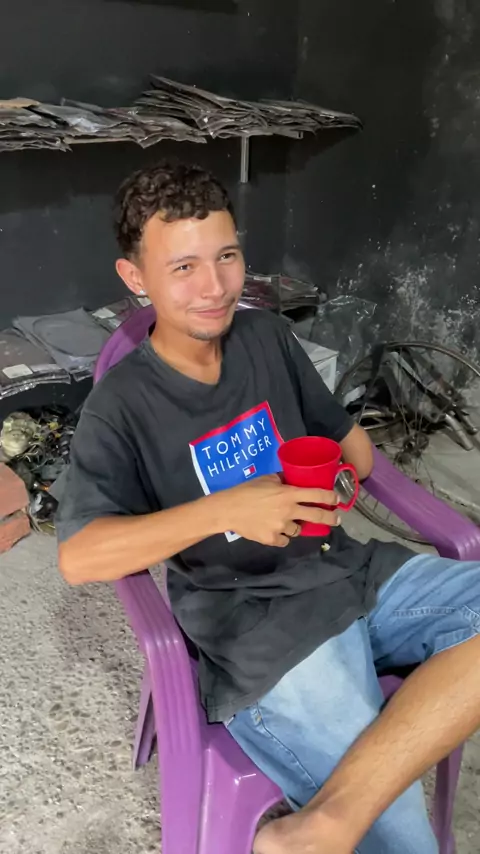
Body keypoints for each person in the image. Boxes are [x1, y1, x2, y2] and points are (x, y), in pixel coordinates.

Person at [56, 160, 480, 854]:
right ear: (136, 278)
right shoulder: (120, 406)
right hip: (257, 628)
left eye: (226, 256)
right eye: (183, 267)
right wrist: (227, 509)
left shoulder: (267, 338)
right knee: (403, 839)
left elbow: (354, 455)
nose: (215, 287)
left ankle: (321, 824)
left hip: (348, 572)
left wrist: (328, 482)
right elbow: (79, 557)